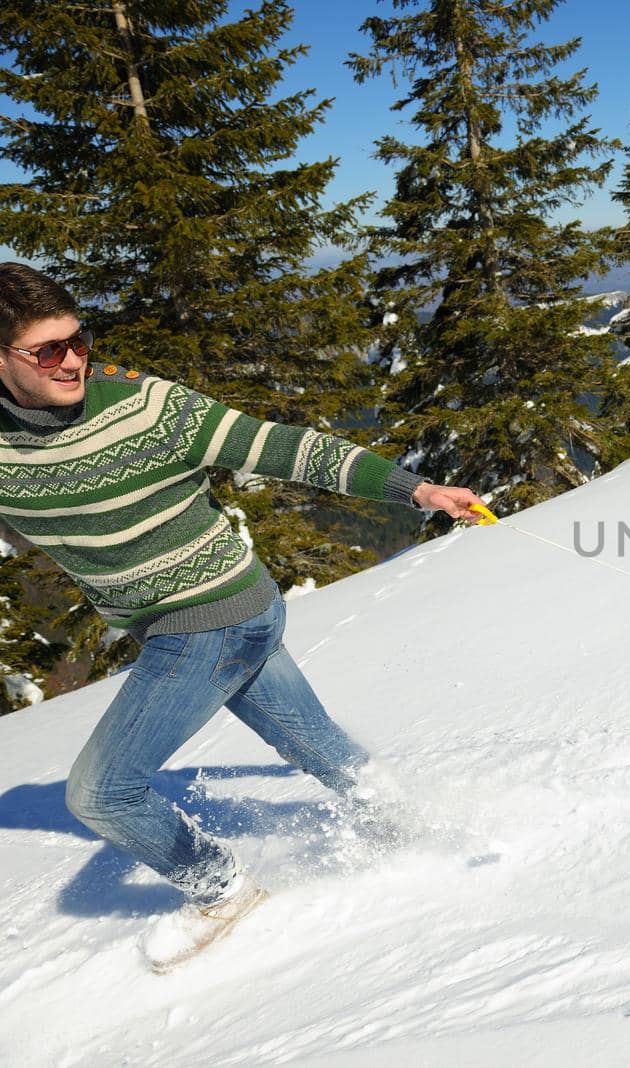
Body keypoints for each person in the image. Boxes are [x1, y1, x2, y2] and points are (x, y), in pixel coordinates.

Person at [0, 262, 485, 964]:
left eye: (80, 339)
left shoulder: (145, 407)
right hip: (201, 620)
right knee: (315, 746)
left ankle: (223, 889)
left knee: (101, 793)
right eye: (48, 351)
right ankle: (413, 828)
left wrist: (416, 490)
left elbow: (285, 446)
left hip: (212, 617)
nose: (73, 359)